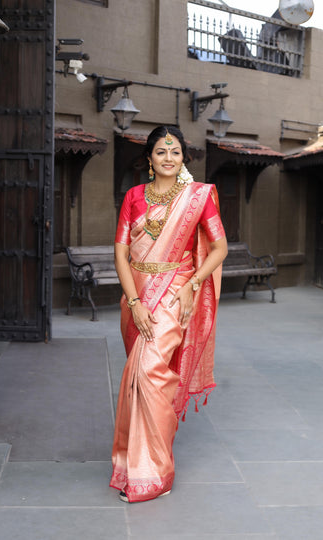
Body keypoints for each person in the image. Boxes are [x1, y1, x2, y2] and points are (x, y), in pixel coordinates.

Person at [109, 125, 228, 503]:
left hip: (175, 294)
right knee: (139, 378)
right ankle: (133, 467)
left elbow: (219, 248)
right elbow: (121, 253)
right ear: (149, 159)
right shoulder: (133, 197)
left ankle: (155, 473)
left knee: (150, 374)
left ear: (183, 159)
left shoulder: (199, 197)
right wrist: (134, 302)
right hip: (137, 297)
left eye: (175, 152)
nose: (168, 158)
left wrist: (193, 285)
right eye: (161, 151)